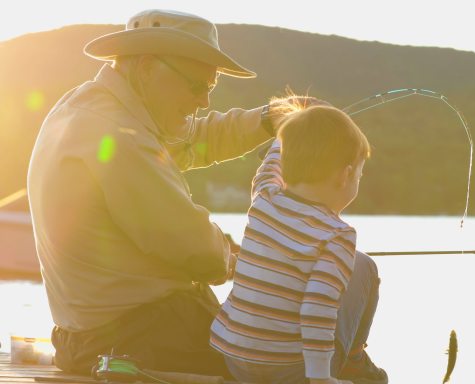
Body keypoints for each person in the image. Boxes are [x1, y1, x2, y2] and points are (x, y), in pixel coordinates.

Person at [27, 9, 285, 377]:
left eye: (210, 89)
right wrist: (231, 256)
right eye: (197, 86)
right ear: (148, 67)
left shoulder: (94, 106)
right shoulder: (116, 134)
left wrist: (269, 118)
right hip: (137, 336)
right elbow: (193, 247)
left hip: (91, 337)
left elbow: (195, 139)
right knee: (290, 361)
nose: (204, 102)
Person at [209, 103, 388, 384]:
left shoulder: (264, 198)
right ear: (346, 175)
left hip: (233, 355)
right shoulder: (337, 235)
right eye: (359, 176)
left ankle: (352, 359)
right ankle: (353, 360)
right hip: (287, 370)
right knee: (364, 265)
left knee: (357, 262)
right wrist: (319, 377)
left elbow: (269, 167)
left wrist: (286, 134)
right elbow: (318, 307)